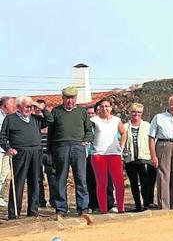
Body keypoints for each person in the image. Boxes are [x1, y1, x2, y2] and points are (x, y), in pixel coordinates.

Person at [0, 97, 53, 219]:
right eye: (26, 106)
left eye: (30, 106)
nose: (29, 109)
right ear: (18, 107)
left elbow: (50, 120)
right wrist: (8, 148)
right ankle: (14, 213)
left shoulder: (36, 119)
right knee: (18, 183)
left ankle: (33, 212)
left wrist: (40, 108)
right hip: (19, 153)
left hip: (36, 152)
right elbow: (2, 137)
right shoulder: (10, 119)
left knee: (35, 182)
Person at [48, 86, 93, 217]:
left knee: (81, 178)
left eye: (72, 98)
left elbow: (89, 130)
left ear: (76, 99)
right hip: (60, 147)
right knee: (61, 178)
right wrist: (50, 152)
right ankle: (61, 209)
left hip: (78, 147)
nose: (70, 101)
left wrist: (85, 140)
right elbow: (50, 133)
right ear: (62, 98)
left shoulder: (82, 112)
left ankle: (83, 208)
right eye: (67, 98)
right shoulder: (55, 111)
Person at [90, 98, 127, 214]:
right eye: (102, 106)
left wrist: (121, 145)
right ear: (99, 108)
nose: (105, 108)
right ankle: (103, 210)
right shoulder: (93, 120)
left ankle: (121, 208)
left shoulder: (116, 120)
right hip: (99, 155)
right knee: (102, 183)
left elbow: (123, 132)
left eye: (107, 106)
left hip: (114, 154)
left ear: (111, 108)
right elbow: (87, 133)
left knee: (119, 183)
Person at [124, 103, 156, 212]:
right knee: (133, 184)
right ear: (130, 113)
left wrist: (153, 156)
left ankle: (147, 204)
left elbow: (153, 141)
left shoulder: (148, 126)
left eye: (138, 112)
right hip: (130, 159)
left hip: (144, 158)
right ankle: (138, 205)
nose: (136, 114)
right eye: (134, 112)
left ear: (142, 113)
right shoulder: (124, 127)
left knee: (145, 182)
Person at [86, 105, 115, 213]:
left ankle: (110, 204)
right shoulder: (84, 127)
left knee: (108, 181)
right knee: (91, 181)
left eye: (93, 113)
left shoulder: (105, 125)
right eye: (88, 114)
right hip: (90, 156)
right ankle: (93, 205)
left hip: (105, 155)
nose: (91, 115)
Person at [0, 97, 16, 208]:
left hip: (6, 150)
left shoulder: (9, 117)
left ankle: (0, 197)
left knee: (5, 175)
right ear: (6, 105)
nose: (14, 107)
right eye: (12, 105)